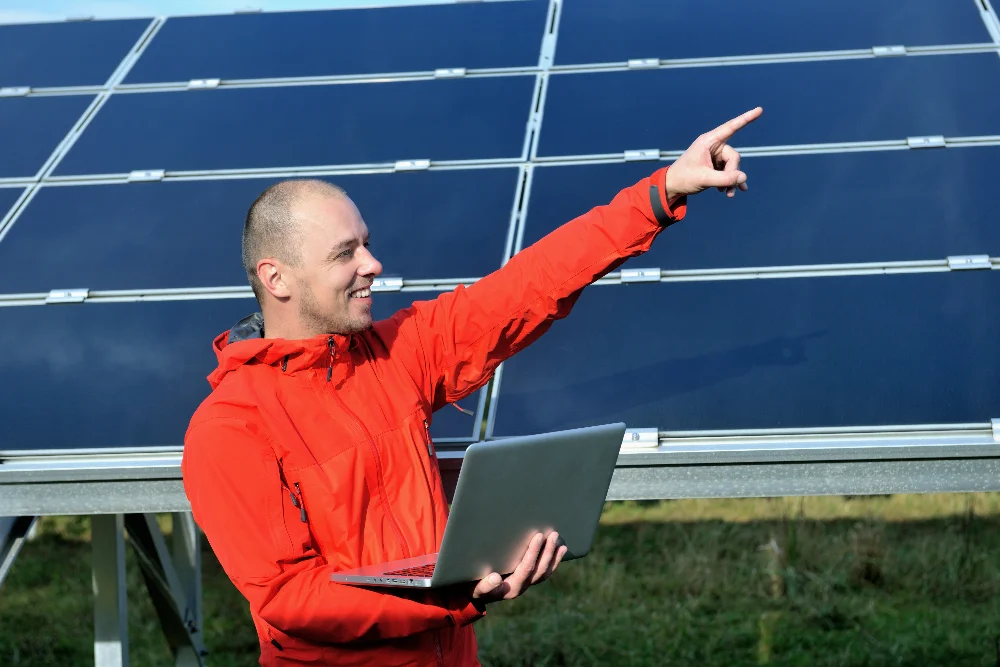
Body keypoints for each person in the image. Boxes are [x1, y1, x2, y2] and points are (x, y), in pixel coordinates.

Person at [181, 107, 763, 666]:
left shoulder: (396, 352)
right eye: (345, 253)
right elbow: (289, 597)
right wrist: (454, 597)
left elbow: (526, 287)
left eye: (366, 242)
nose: (373, 263)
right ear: (275, 277)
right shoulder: (232, 427)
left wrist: (661, 193)